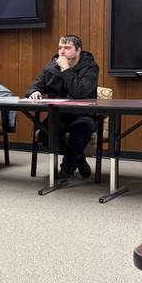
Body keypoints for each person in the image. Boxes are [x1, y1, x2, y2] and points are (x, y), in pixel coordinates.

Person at [27, 34, 99, 186]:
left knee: (81, 130)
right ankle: (77, 157)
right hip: (59, 114)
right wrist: (35, 91)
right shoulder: (51, 66)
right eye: (60, 47)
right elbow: (35, 85)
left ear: (78, 50)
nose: (62, 51)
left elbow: (79, 92)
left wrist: (66, 69)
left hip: (83, 113)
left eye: (67, 48)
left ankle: (67, 169)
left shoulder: (91, 67)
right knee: (44, 137)